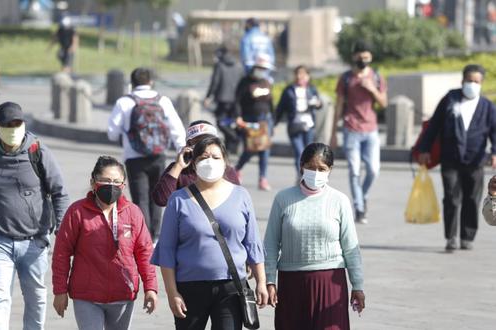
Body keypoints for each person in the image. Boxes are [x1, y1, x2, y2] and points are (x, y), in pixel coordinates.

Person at [0, 102, 70, 330]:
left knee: (36, 298)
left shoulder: (39, 152)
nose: (14, 128)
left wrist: (63, 233)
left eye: (18, 123)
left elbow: (59, 193)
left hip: (35, 242)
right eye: (8, 125)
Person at [151, 136, 268, 330]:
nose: (210, 162)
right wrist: (172, 292)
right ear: (194, 164)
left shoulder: (241, 195)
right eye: (204, 157)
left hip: (231, 287)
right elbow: (167, 250)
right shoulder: (178, 199)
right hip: (189, 288)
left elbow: (252, 242)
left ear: (225, 163)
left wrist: (262, 282)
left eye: (215, 157)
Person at [264, 142, 365, 330]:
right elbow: (270, 243)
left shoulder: (339, 200)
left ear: (330, 170)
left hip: (330, 282)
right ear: (301, 166)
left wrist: (357, 285)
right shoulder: (283, 199)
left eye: (321, 168)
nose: (316, 173)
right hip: (291, 283)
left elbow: (351, 247)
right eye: (311, 167)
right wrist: (269, 280)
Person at [52, 155, 158, 329]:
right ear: (93, 182)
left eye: (117, 182)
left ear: (123, 185)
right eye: (105, 180)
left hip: (123, 293)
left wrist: (151, 288)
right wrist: (60, 291)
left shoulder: (133, 213)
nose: (111, 186)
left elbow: (145, 253)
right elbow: (61, 254)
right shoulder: (77, 212)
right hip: (87, 296)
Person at [418, 64, 496, 251]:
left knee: (472, 198)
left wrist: (495, 152)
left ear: (481, 83)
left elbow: (494, 132)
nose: (472, 84)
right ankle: (451, 237)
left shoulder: (487, 106)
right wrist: (424, 148)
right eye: (469, 80)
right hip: (450, 157)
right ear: (462, 81)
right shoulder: (450, 99)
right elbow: (434, 125)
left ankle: (467, 236)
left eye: (476, 81)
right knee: (451, 197)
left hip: (475, 159)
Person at [107, 67, 186, 242]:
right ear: (150, 82)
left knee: (140, 198)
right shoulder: (163, 100)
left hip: (134, 156)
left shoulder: (124, 102)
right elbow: (176, 129)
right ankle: (156, 236)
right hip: (159, 155)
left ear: (132, 83)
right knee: (157, 197)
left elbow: (112, 132)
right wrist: (181, 149)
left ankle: (144, 237)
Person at [331, 40, 387, 224]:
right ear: (354, 56)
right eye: (360, 55)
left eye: (367, 56)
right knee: (354, 170)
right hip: (351, 128)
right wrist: (333, 132)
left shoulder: (376, 76)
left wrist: (371, 88)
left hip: (371, 129)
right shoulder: (346, 78)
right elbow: (339, 106)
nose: (363, 59)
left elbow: (384, 103)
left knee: (373, 170)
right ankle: (359, 207)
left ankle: (362, 196)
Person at [152, 120, 240, 207]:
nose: (204, 146)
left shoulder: (226, 170)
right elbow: (161, 200)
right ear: (188, 145)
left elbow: (238, 200)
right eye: (198, 142)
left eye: (208, 141)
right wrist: (178, 166)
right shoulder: (180, 169)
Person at [234, 54, 274, 191]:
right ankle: (238, 168)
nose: (262, 70)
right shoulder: (245, 82)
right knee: (250, 149)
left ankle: (263, 178)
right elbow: (237, 101)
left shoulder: (266, 82)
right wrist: (238, 117)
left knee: (264, 149)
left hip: (263, 119)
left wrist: (273, 120)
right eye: (260, 67)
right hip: (249, 119)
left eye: (264, 68)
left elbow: (270, 102)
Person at [276, 65, 323, 176]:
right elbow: (280, 108)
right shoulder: (289, 90)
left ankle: (308, 176)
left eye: (302, 74)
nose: (299, 76)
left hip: (308, 124)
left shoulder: (312, 89)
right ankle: (301, 176)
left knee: (309, 153)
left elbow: (319, 104)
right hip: (294, 124)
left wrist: (317, 103)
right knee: (299, 152)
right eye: (297, 73)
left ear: (308, 76)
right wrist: (274, 124)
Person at [204, 45, 244, 154]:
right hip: (235, 100)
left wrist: (208, 97)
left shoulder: (219, 65)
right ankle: (229, 147)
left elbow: (215, 82)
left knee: (221, 122)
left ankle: (234, 138)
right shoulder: (239, 65)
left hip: (223, 99)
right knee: (230, 122)